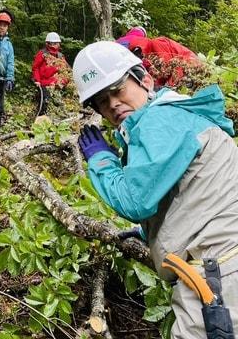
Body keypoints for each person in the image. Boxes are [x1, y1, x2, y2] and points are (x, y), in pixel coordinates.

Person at [74, 41, 238, 338]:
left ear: (145, 79)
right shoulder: (175, 114)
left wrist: (102, 161)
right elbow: (191, 190)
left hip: (218, 272)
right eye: (101, 100)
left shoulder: (159, 121)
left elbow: (134, 200)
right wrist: (153, 231)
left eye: (117, 89)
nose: (111, 104)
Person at [116, 26, 202, 88]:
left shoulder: (125, 40)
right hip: (138, 52)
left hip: (187, 68)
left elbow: (171, 72)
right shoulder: (154, 44)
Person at [31, 32, 70, 116]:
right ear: (47, 43)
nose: (53, 45)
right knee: (45, 102)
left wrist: (62, 82)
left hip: (56, 84)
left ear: (59, 44)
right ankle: (40, 119)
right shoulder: (42, 54)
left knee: (58, 104)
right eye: (51, 43)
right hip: (43, 83)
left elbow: (66, 71)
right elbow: (35, 68)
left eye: (55, 43)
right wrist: (37, 80)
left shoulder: (60, 56)